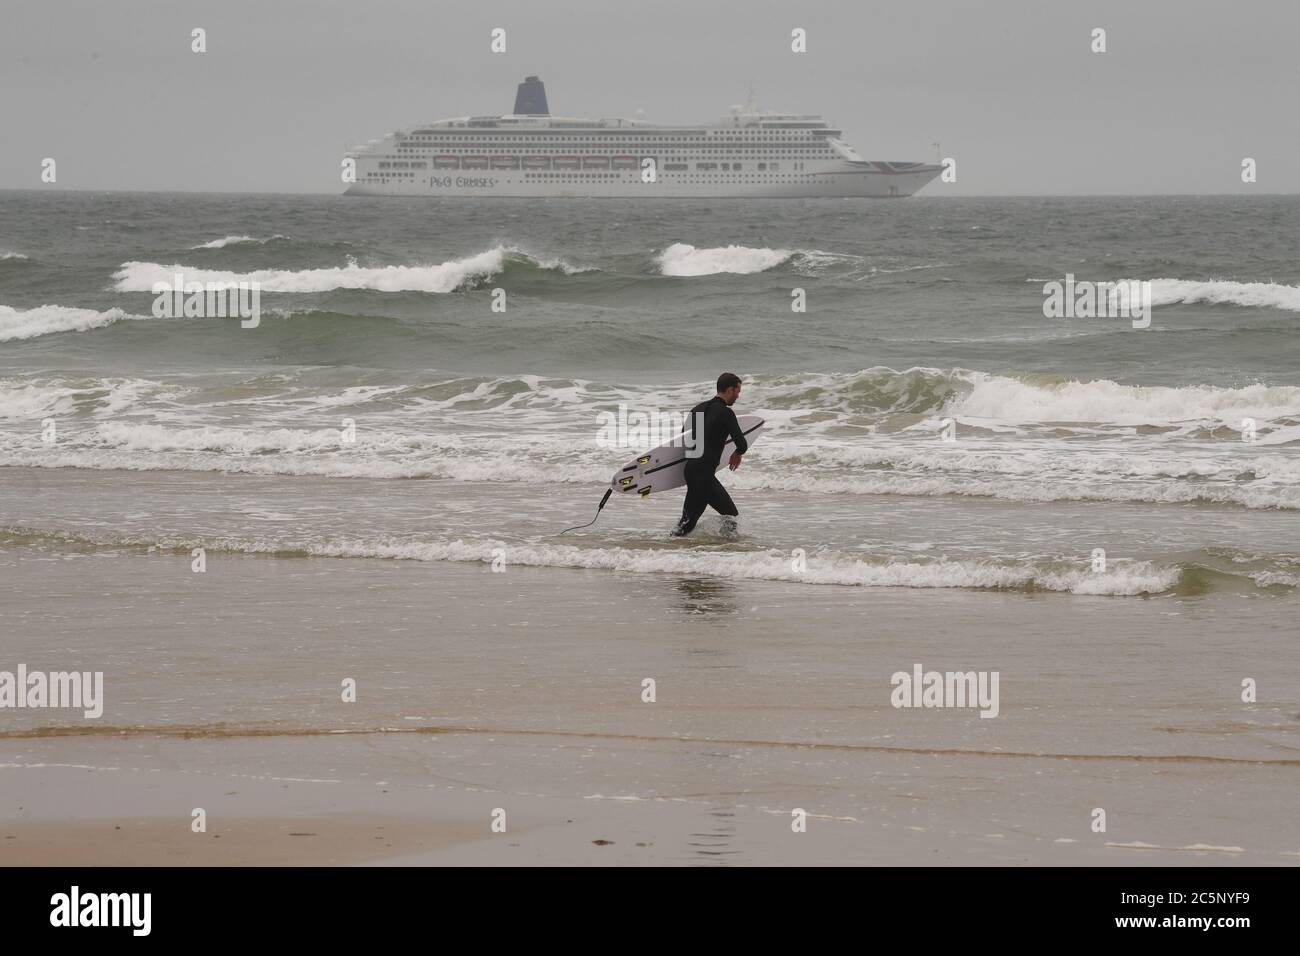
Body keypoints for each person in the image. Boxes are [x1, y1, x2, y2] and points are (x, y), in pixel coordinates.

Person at [671, 372, 748, 537]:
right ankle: (724, 554)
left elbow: (685, 437)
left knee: (688, 523)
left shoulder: (697, 409)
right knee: (725, 518)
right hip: (704, 475)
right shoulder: (725, 413)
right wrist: (738, 453)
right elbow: (742, 444)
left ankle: (671, 550)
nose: (738, 396)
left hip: (691, 471)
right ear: (729, 390)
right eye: (737, 391)